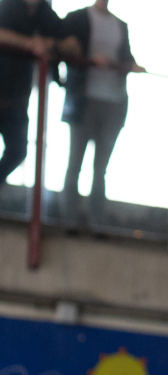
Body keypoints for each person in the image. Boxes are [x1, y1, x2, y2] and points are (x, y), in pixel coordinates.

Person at [60, 0, 143, 231]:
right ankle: (69, 220)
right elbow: (62, 49)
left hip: (114, 101)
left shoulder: (120, 24)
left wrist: (125, 65)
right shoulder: (77, 18)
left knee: (100, 169)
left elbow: (127, 57)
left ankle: (97, 223)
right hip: (84, 100)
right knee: (75, 163)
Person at [0, 0, 78, 191]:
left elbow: (74, 45)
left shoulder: (44, 12)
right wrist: (29, 43)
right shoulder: (7, 5)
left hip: (16, 100)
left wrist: (50, 44)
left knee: (18, 151)